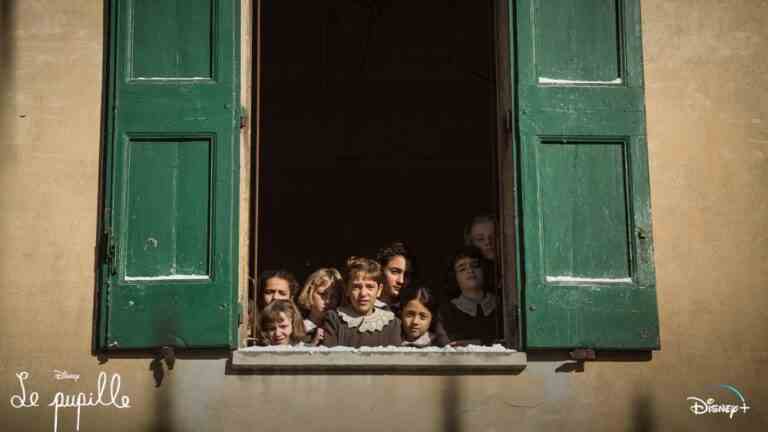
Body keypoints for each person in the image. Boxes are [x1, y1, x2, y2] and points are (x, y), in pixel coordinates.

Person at [323, 257, 402, 347]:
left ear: (379, 290)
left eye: (369, 287)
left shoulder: (392, 324)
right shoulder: (335, 319)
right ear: (347, 289)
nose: (363, 293)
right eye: (356, 287)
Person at [439, 246, 498, 345]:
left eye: (475, 265)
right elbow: (448, 346)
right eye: (462, 268)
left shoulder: (502, 303)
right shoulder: (446, 311)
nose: (470, 270)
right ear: (454, 276)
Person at [296, 268, 343, 344]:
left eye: (334, 296)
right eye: (322, 294)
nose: (328, 301)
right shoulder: (297, 328)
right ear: (309, 293)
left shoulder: (342, 329)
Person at [375, 241, 412, 315]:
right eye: (395, 272)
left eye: (406, 275)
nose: (401, 281)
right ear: (380, 270)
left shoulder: (409, 312)